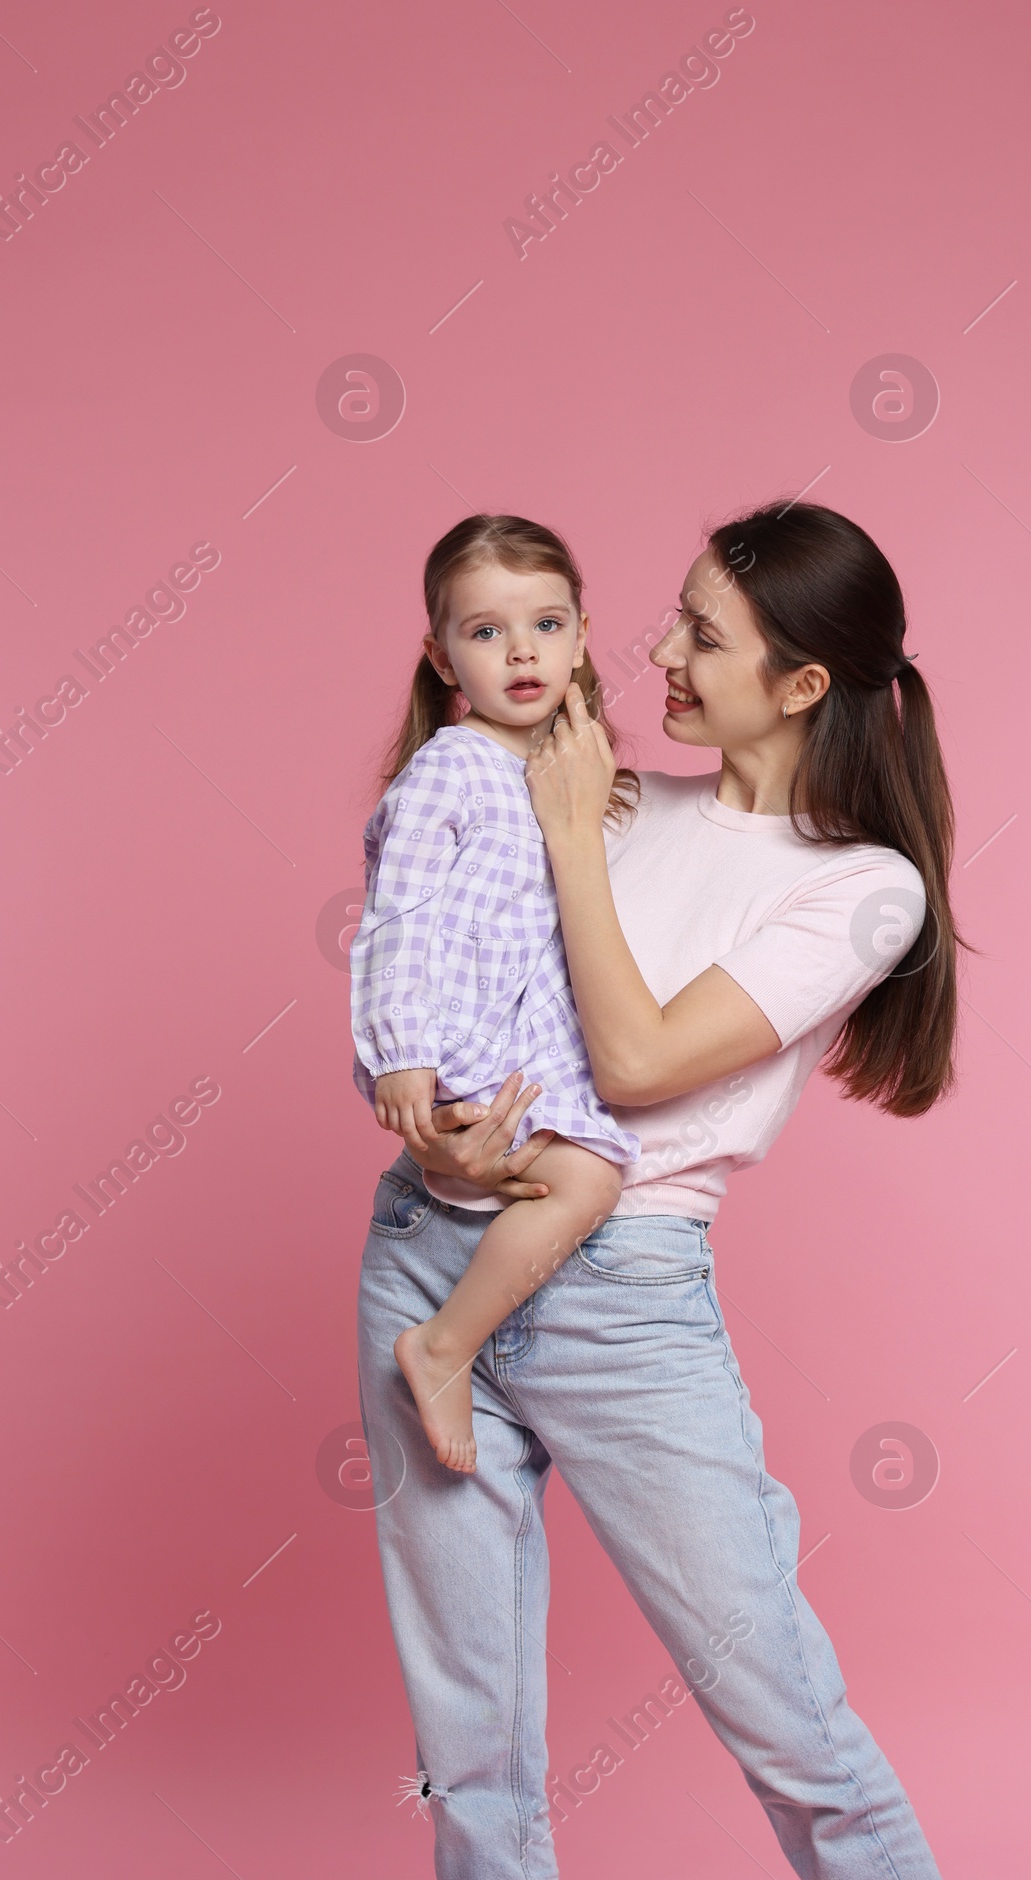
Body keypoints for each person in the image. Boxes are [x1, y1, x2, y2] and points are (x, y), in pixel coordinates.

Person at [354, 501, 1031, 1880]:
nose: (652, 660)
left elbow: (630, 1065)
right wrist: (435, 1108)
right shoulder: (603, 789)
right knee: (472, 1729)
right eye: (663, 624)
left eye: (697, 635)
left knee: (786, 1709)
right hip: (432, 1253)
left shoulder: (859, 886)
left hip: (629, 1305)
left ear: (796, 679)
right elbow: (449, 957)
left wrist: (570, 836)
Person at [352, 515, 638, 1473]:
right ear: (441, 658)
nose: (522, 651)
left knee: (580, 1174)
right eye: (486, 632)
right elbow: (400, 914)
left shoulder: (570, 770)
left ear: (584, 636)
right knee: (586, 1179)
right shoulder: (451, 768)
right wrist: (401, 1052)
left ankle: (451, 1339)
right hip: (468, 1037)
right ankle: (442, 1344)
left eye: (547, 625)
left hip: (536, 1041)